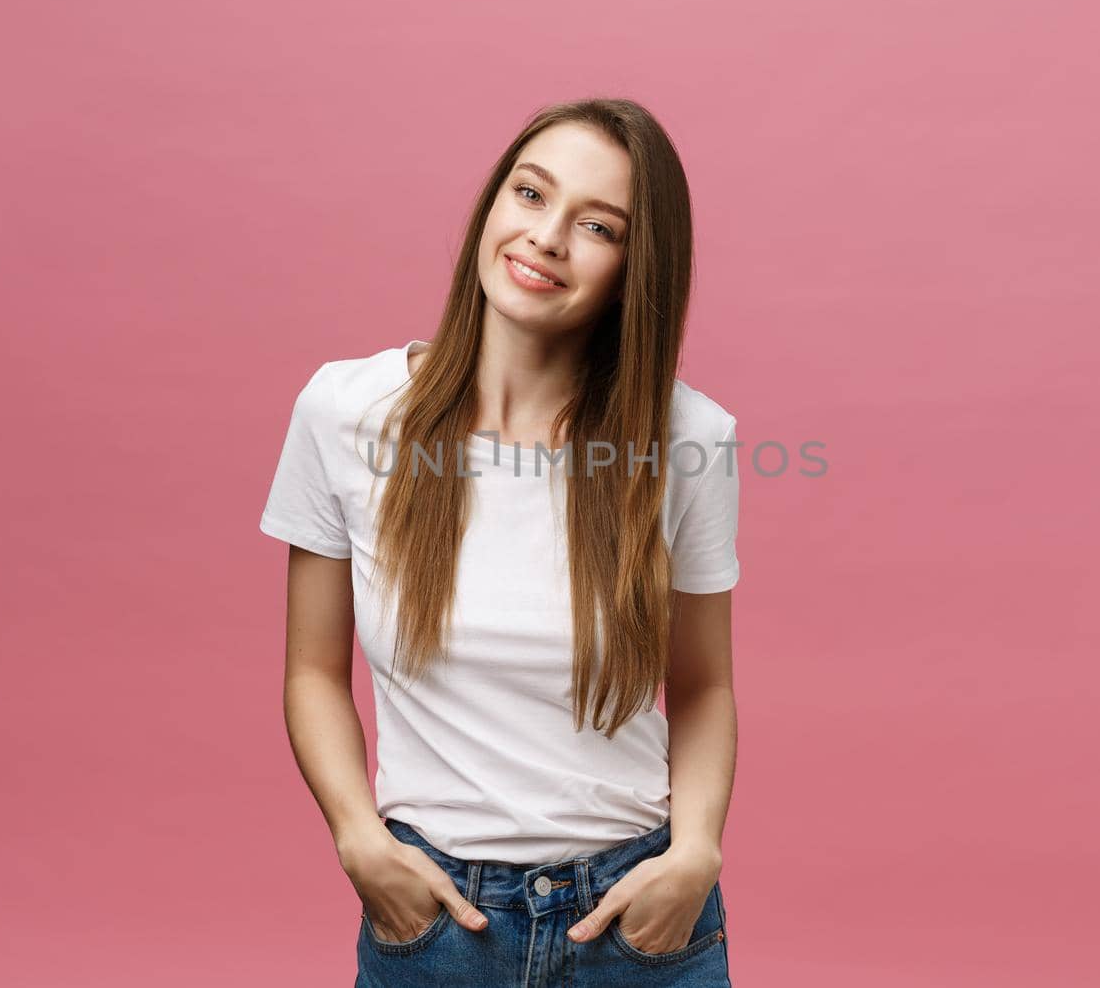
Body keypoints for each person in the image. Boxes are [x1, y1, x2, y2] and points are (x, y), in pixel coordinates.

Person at [260, 98, 741, 985]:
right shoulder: (345, 411)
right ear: (493, 205)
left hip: (635, 923)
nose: (547, 236)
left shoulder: (688, 440)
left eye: (596, 224)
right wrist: (358, 837)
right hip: (438, 922)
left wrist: (697, 852)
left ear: (637, 267)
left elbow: (704, 684)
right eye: (530, 193)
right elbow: (311, 671)